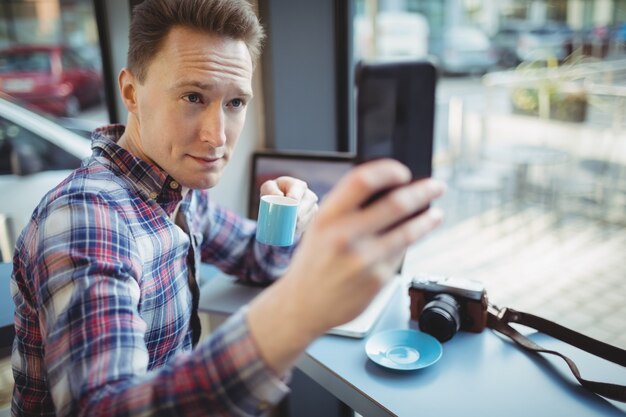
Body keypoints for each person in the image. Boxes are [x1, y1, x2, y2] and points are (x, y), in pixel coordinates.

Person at [10, 0, 445, 416]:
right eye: (194, 97)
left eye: (235, 102)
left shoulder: (176, 189)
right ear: (131, 91)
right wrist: (299, 310)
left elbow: (256, 258)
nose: (217, 136)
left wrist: (287, 217)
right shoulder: (89, 218)